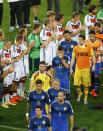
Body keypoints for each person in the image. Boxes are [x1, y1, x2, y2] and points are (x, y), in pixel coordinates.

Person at [70, 35, 95, 104]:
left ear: (84, 40)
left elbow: (93, 56)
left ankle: (85, 98)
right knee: (76, 84)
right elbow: (73, 58)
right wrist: (71, 68)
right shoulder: (75, 48)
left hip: (86, 68)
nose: (79, 41)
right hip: (78, 68)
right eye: (79, 39)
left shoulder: (89, 48)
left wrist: (93, 65)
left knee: (86, 85)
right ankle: (80, 93)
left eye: (80, 39)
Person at [85, 30, 102, 96]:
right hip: (89, 62)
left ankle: (96, 90)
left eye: (92, 36)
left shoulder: (99, 43)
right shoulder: (86, 42)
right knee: (91, 75)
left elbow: (101, 52)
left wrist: (96, 54)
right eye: (90, 36)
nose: (91, 37)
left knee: (96, 75)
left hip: (97, 61)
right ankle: (92, 89)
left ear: (95, 35)